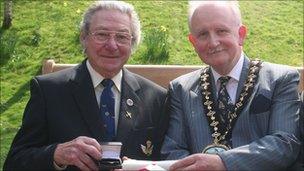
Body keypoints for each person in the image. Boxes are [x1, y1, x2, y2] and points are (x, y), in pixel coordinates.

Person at [4, 1, 168, 170]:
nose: (112, 46)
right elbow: (14, 162)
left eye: (122, 36)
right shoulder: (49, 91)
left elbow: (168, 160)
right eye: (102, 34)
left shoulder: (156, 98)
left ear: (133, 43)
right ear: (84, 37)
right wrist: (56, 154)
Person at [161, 1, 301, 170]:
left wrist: (223, 163)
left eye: (221, 31)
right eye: (203, 34)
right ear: (193, 42)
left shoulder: (280, 79)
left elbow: (284, 143)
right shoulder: (181, 89)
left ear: (241, 34)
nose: (213, 42)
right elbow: (172, 150)